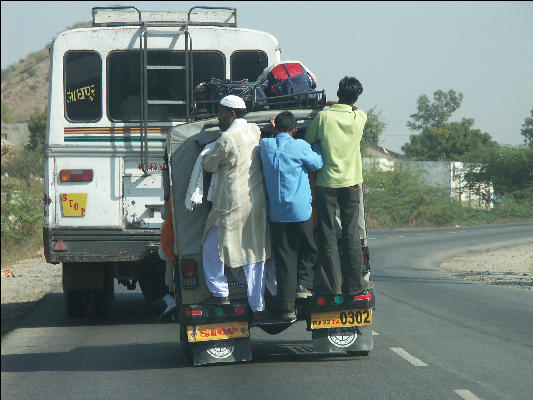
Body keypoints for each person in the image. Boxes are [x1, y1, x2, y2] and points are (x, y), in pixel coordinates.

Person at [200, 95, 272, 324]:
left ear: (231, 114)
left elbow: (209, 165)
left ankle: (220, 293)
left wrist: (205, 153)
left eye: (221, 112)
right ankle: (258, 307)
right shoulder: (254, 131)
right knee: (255, 253)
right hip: (256, 201)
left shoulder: (227, 138)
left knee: (211, 246)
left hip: (230, 203)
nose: (219, 116)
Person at [304, 76, 373, 296]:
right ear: (355, 97)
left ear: (338, 92)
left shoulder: (324, 118)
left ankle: (331, 285)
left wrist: (326, 104)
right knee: (352, 233)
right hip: (352, 184)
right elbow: (355, 107)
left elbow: (308, 140)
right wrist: (337, 103)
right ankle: (354, 284)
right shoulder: (359, 117)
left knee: (327, 234)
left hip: (326, 184)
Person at [259, 111, 323, 323]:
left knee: (284, 260)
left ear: (275, 127)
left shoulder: (266, 146)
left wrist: (272, 130)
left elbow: (268, 139)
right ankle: (304, 284)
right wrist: (315, 147)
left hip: (277, 214)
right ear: (295, 130)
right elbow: (317, 164)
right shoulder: (301, 146)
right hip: (301, 211)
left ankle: (287, 308)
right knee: (310, 248)